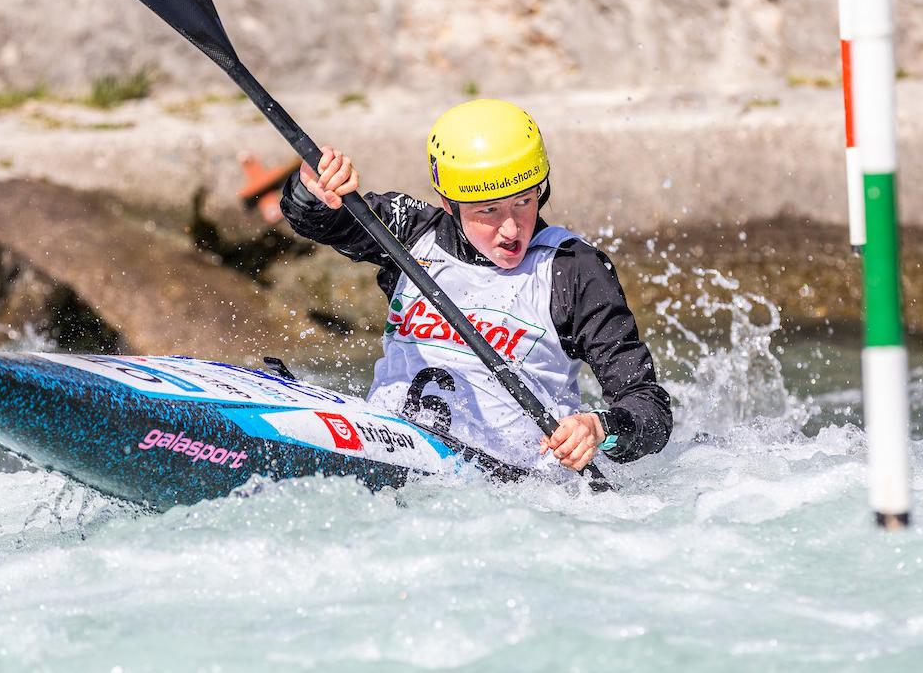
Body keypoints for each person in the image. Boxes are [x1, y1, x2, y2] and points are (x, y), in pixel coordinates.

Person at [280, 99, 672, 476]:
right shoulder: (410, 233)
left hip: (511, 487)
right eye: (488, 210)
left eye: (524, 201)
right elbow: (316, 220)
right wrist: (313, 187)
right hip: (388, 452)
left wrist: (598, 429)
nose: (511, 228)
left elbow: (649, 407)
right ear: (448, 203)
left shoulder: (572, 270)